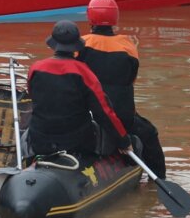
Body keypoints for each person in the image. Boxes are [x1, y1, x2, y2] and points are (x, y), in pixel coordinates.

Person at [78, 0, 168, 177]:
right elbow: (130, 79)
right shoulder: (128, 46)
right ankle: (158, 177)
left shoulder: (79, 44)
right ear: (115, 18)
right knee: (149, 134)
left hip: (85, 114)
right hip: (122, 117)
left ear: (90, 18)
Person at [26, 22, 126, 163]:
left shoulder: (35, 68)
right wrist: (123, 140)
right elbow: (103, 112)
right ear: (75, 46)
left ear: (54, 43)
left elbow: (33, 97)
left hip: (40, 140)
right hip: (75, 143)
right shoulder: (84, 72)